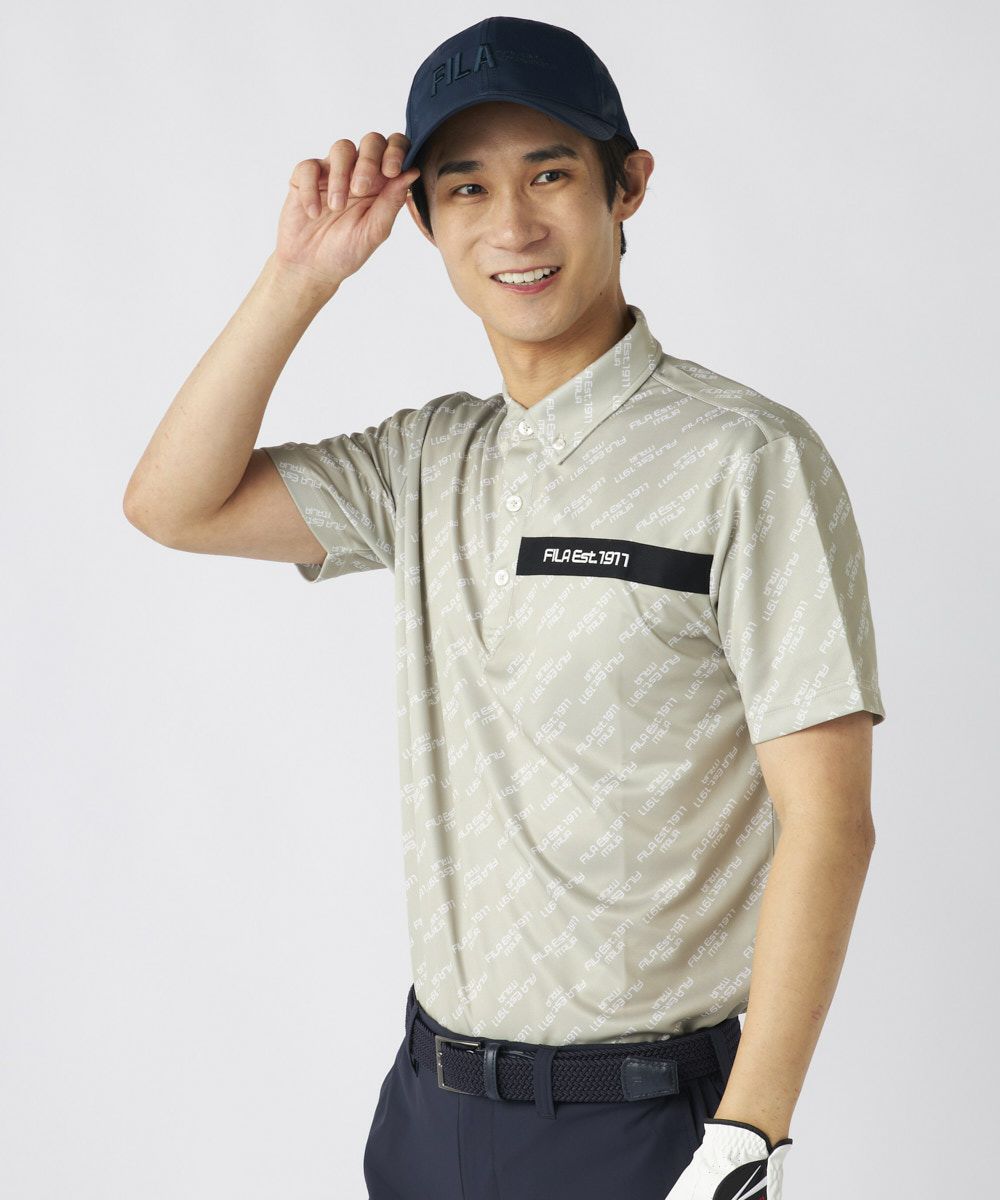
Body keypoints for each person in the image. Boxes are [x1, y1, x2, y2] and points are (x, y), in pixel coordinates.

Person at [123, 15, 887, 1199]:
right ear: (423, 222)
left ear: (627, 186)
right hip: (426, 1116)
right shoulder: (429, 461)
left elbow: (828, 821)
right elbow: (172, 504)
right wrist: (299, 278)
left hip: (647, 1133)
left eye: (550, 173)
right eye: (466, 187)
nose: (513, 225)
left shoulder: (745, 458)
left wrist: (748, 1136)